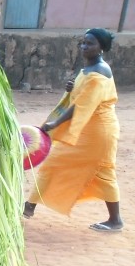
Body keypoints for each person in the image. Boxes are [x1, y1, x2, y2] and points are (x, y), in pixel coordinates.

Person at [23, 28, 123, 232]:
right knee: (55, 164)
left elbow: (83, 104)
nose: (85, 47)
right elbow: (80, 95)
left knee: (103, 173)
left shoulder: (100, 71)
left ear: (101, 48)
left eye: (91, 43)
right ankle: (29, 206)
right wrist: (71, 88)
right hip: (89, 130)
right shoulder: (89, 68)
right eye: (83, 43)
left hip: (98, 132)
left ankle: (115, 221)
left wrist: (55, 123)